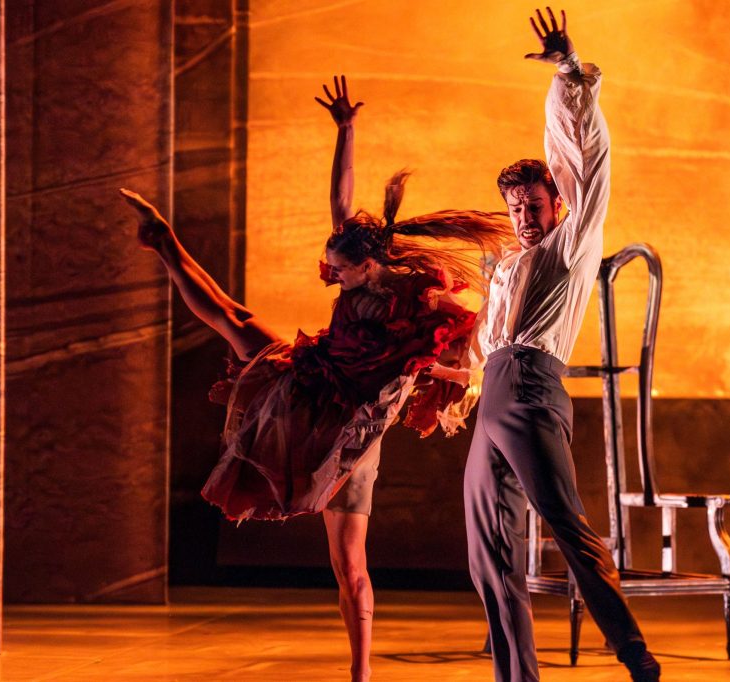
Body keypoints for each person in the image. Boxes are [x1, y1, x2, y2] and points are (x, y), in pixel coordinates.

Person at [120, 76, 511, 682]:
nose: (333, 277)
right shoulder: (354, 259)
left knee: (348, 561)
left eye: (341, 271)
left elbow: (418, 361)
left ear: (369, 263)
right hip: (308, 379)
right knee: (235, 319)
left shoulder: (413, 296)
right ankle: (164, 242)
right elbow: (340, 201)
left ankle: (360, 673)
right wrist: (345, 131)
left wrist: (449, 371)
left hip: (347, 432)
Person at [463, 9, 661, 682]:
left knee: (566, 526)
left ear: (556, 202)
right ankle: (518, 677)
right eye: (514, 207)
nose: (524, 216)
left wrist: (570, 74)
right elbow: (479, 342)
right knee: (488, 549)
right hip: (493, 393)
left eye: (534, 204)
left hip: (528, 389)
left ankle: (634, 652)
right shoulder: (507, 266)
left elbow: (586, 158)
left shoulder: (570, 244)